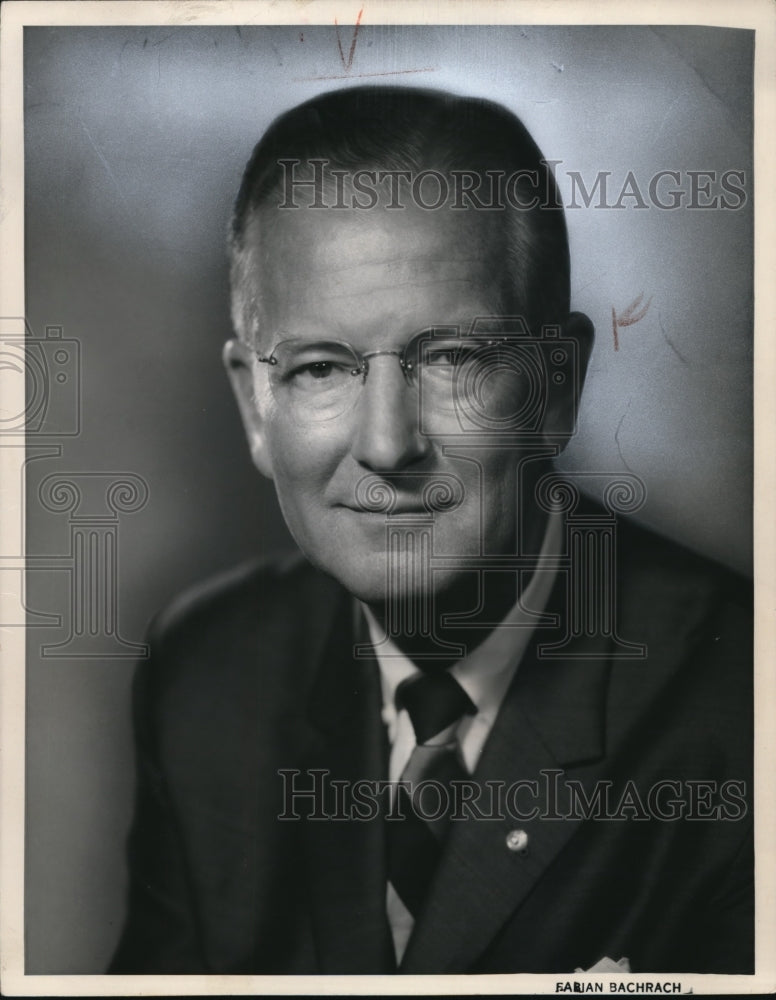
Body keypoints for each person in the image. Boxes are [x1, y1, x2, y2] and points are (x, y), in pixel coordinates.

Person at [109, 86, 752, 975]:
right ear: (253, 409)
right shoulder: (209, 677)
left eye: (453, 359)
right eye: (321, 367)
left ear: (556, 387)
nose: (386, 445)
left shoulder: (741, 708)